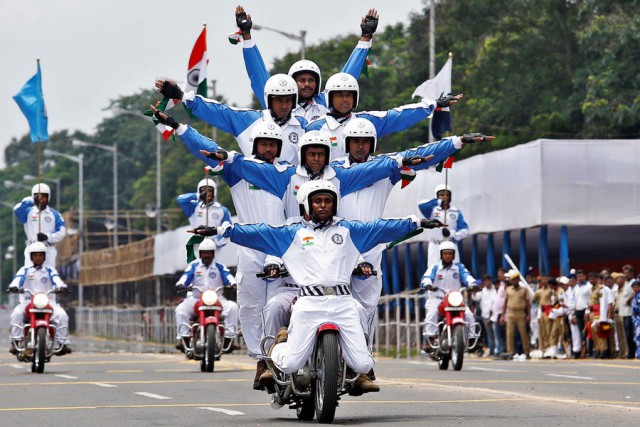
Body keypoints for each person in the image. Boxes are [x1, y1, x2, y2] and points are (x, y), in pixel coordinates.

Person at [191, 180, 446, 393]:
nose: (323, 206)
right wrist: (219, 230)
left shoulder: (349, 230)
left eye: (327, 201)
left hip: (343, 302)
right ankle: (275, 351)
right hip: (308, 303)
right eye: (317, 201)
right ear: (306, 204)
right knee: (290, 364)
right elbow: (257, 232)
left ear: (334, 204)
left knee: (363, 362)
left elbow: (381, 228)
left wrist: (418, 223)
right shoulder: (291, 232)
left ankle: (352, 373)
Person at [329, 118, 493, 356]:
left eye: (366, 141)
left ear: (373, 143)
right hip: (336, 245)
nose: (361, 146)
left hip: (370, 247)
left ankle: (361, 361)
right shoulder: (332, 169)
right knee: (326, 302)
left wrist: (456, 142)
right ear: (347, 143)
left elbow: (420, 154)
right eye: (355, 141)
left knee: (366, 307)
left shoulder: (385, 166)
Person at [151, 108, 288, 389]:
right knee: (251, 307)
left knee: (277, 307)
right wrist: (178, 127)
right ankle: (261, 360)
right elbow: (209, 149)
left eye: (272, 144)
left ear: (280, 147)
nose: (268, 148)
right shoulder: (240, 170)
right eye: (263, 144)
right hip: (250, 247)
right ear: (254, 146)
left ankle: (280, 358)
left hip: (280, 247)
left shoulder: (288, 174)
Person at [234, 5, 377, 121]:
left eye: (311, 80)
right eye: (301, 80)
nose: (306, 84)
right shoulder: (276, 101)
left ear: (317, 83)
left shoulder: (327, 101)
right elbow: (257, 74)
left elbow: (347, 77)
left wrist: (365, 37)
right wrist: (246, 35)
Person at [155, 73, 307, 164]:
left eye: (288, 100)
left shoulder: (304, 126)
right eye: (279, 100)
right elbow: (220, 112)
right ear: (269, 99)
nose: (284, 105)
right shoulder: (249, 120)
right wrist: (182, 96)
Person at [306, 71, 463, 160]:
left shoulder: (366, 121)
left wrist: (433, 104)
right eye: (340, 95)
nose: (345, 99)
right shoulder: (314, 127)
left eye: (349, 95)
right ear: (329, 98)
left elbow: (398, 116)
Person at [174, 239, 240, 353]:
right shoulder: (194, 266)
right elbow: (185, 277)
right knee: (180, 309)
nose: (206, 255)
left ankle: (229, 340)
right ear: (200, 254)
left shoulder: (220, 267)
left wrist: (233, 284)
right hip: (196, 298)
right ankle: (183, 339)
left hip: (217, 298)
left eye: (209, 252)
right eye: (204, 252)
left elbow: (228, 277)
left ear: (213, 254)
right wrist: (181, 284)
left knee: (233, 307)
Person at [8, 242, 71, 355]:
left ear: (44, 256)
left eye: (40, 255)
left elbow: (57, 280)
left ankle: (63, 343)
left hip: (48, 302)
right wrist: (14, 287)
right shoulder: (25, 270)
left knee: (62, 315)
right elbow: (17, 279)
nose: (38, 258)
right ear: (31, 257)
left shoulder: (50, 270)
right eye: (35, 255)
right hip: (27, 301)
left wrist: (62, 287)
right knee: (16, 314)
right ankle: (15, 341)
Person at [420, 240, 478, 351]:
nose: (447, 256)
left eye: (450, 253)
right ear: (441, 254)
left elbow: (467, 276)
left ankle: (471, 339)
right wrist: (427, 284)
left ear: (453, 255)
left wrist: (473, 284)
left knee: (469, 315)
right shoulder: (435, 267)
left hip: (454, 298)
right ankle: (430, 339)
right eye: (445, 253)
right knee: (431, 314)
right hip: (438, 298)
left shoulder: (459, 267)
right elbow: (427, 277)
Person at [13, 183, 66, 268]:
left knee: (48, 276)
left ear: (48, 198)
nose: (41, 200)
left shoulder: (54, 214)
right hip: (32, 249)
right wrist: (31, 200)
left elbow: (62, 232)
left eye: (44, 197)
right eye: (38, 197)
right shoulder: (27, 212)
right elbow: (16, 209)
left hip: (48, 250)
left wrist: (47, 237)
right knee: (30, 275)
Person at [418, 184, 470, 268]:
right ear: (437, 196)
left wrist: (452, 234)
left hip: (450, 246)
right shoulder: (432, 210)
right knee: (433, 272)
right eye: (441, 195)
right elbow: (421, 205)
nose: (445, 197)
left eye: (447, 195)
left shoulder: (456, 212)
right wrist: (438, 201)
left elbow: (465, 230)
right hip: (435, 246)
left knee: (455, 270)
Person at [177, 178, 232, 248]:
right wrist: (198, 196)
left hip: (215, 249)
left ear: (214, 192)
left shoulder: (222, 210)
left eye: (209, 190)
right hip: (198, 247)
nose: (207, 193)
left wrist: (215, 243)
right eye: (203, 191)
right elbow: (181, 199)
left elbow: (228, 230)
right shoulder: (194, 208)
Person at [502, 270, 531, 359]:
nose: (513, 281)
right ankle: (511, 352)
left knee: (523, 333)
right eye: (512, 280)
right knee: (509, 333)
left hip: (520, 313)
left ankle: (526, 352)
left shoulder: (524, 290)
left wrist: (528, 315)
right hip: (510, 313)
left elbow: (527, 303)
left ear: (518, 279)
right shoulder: (508, 290)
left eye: (515, 279)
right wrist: (503, 315)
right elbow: (505, 303)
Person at [620, 265, 636, 358]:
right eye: (625, 273)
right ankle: (629, 352)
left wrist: (630, 299)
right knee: (627, 334)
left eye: (628, 273)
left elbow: (636, 292)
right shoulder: (626, 282)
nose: (626, 275)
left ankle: (632, 353)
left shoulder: (634, 282)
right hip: (625, 312)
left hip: (630, 312)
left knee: (630, 334)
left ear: (632, 273)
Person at [631, 279, 640, 358]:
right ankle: (637, 353)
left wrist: (636, 309)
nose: (635, 288)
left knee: (638, 336)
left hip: (639, 318)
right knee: (636, 337)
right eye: (634, 287)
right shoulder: (635, 295)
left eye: (637, 287)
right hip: (636, 319)